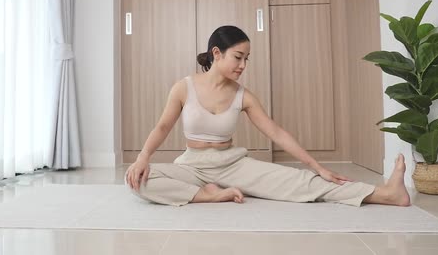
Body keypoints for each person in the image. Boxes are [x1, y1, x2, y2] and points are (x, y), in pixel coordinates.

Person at [124, 25, 410, 207]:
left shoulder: (243, 95)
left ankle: (384, 194)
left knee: (299, 182)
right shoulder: (183, 87)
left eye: (247, 58)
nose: (243, 65)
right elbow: (162, 126)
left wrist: (316, 166)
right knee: (138, 180)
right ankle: (208, 195)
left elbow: (276, 132)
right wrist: (142, 158)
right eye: (238, 56)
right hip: (191, 167)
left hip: (231, 166)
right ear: (216, 53)